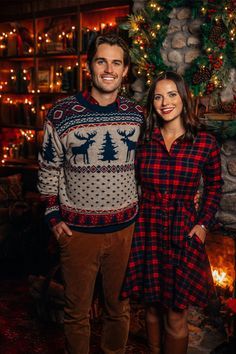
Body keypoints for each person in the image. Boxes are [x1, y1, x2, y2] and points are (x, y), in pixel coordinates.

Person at [37, 33, 144, 354]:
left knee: (118, 309)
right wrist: (53, 216)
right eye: (101, 61)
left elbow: (146, 166)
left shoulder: (138, 116)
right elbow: (48, 168)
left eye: (116, 62)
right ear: (89, 66)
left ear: (126, 70)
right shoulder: (61, 114)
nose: (108, 69)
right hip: (78, 233)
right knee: (77, 313)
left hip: (125, 231)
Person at [121, 71, 223, 354]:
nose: (165, 102)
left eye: (171, 94)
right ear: (152, 103)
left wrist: (203, 224)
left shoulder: (204, 143)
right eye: (158, 96)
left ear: (183, 98)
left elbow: (215, 186)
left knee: (176, 314)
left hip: (183, 231)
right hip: (147, 228)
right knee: (151, 308)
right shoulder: (143, 142)